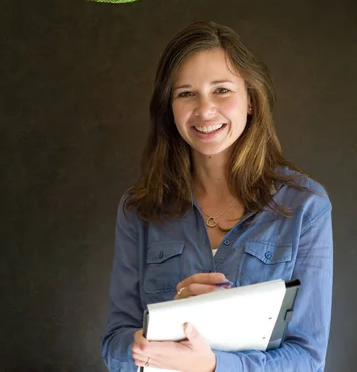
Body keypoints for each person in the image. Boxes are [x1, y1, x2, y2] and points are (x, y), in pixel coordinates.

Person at [101, 21, 333, 371]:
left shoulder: (305, 206)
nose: (205, 110)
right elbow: (115, 344)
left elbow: (308, 359)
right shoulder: (139, 209)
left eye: (221, 90)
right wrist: (151, 340)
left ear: (251, 100)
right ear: (170, 108)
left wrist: (212, 365)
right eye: (186, 94)